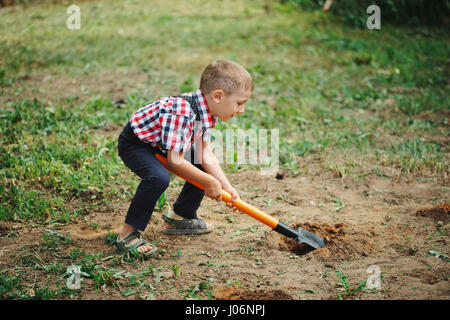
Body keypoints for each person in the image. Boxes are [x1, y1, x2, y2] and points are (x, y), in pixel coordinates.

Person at [114, 59, 253, 256]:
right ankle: (127, 235)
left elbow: (205, 154)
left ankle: (181, 215)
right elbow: (175, 161)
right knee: (158, 177)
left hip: (162, 143)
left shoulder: (207, 112)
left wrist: (225, 186)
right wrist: (208, 181)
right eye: (240, 103)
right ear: (218, 96)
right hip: (136, 143)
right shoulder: (183, 112)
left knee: (200, 164)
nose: (242, 110)